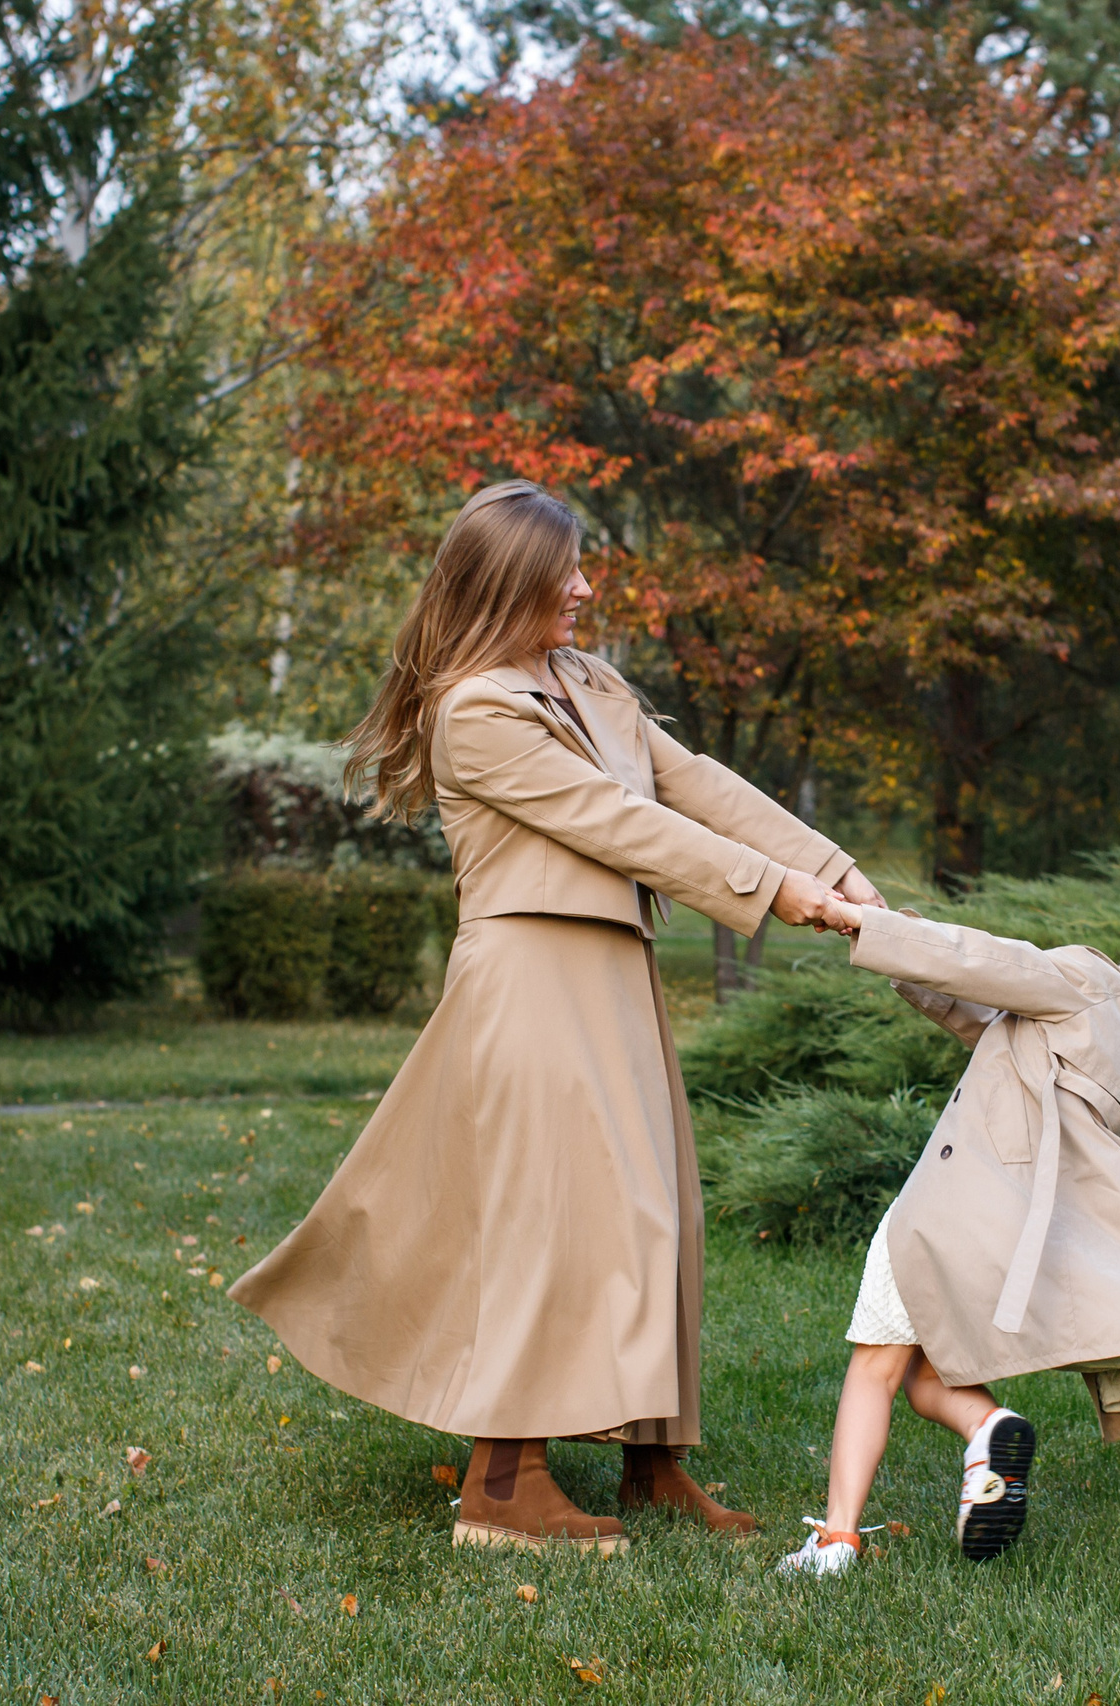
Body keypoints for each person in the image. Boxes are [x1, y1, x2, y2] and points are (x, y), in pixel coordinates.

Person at [228, 481, 882, 1554]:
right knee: (552, 1216)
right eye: (562, 572)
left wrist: (835, 868)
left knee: (658, 1210)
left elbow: (694, 784)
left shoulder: (587, 681)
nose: (582, 587)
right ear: (507, 583)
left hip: (614, 973)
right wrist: (776, 891)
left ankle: (651, 1462)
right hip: (530, 978)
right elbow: (617, 822)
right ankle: (501, 1483)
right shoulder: (475, 710)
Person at [776, 904, 1120, 1576]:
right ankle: (989, 1431)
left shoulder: (1089, 982)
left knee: (876, 1369)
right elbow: (992, 1026)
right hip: (1005, 1236)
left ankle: (835, 1543)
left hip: (945, 1211)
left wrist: (866, 923)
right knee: (928, 1377)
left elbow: (979, 961)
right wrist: (902, 954)